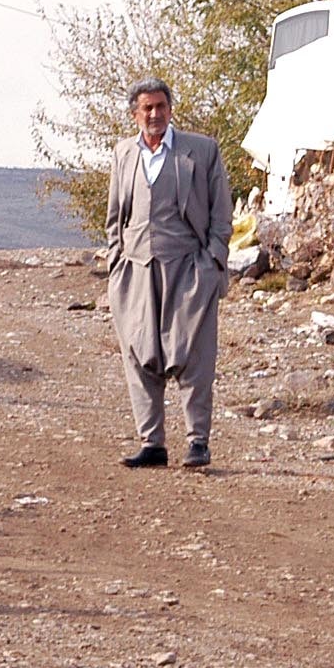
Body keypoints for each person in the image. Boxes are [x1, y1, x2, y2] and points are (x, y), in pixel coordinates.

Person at [101, 77, 231, 470]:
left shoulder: (202, 151)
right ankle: (152, 442)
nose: (154, 115)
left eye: (160, 106)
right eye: (146, 108)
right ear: (135, 114)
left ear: (170, 108)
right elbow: (114, 218)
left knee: (193, 354)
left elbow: (221, 215)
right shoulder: (124, 153)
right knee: (139, 354)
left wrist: (212, 264)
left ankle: (197, 442)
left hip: (189, 268)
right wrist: (115, 263)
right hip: (136, 270)